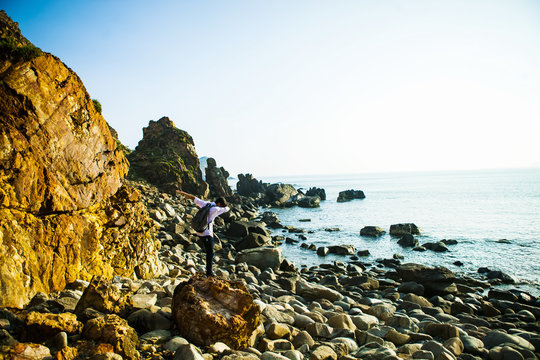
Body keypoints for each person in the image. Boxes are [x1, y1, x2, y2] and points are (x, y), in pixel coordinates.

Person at [176, 190, 230, 277]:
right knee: (210, 253)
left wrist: (182, 193)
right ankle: (209, 273)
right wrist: (226, 207)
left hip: (199, 231)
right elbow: (227, 209)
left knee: (208, 252)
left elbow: (194, 198)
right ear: (219, 204)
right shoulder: (216, 209)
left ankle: (208, 271)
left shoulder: (206, 204)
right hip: (207, 234)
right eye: (222, 205)